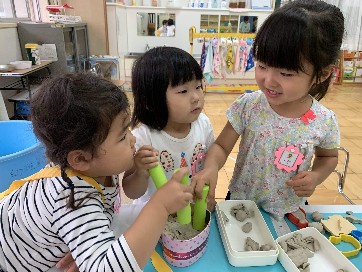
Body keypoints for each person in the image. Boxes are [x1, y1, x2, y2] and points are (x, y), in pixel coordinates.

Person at [0, 73, 194, 272]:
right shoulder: (73, 198)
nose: (133, 139)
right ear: (81, 158)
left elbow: (105, 216)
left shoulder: (99, 168)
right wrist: (159, 206)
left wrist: (83, 248)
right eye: (122, 137)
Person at [194, 0, 344, 221]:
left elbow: (328, 157)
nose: (268, 80)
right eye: (262, 65)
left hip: (290, 208)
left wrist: (316, 176)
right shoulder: (249, 105)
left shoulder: (324, 120)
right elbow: (221, 145)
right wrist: (210, 167)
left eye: (286, 73)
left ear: (321, 74)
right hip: (240, 203)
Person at [122, 46, 214, 205]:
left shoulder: (203, 124)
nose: (196, 97)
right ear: (151, 101)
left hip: (191, 210)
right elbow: (132, 193)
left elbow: (210, 163)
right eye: (183, 91)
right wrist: (140, 172)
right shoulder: (143, 138)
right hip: (154, 217)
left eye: (198, 86)